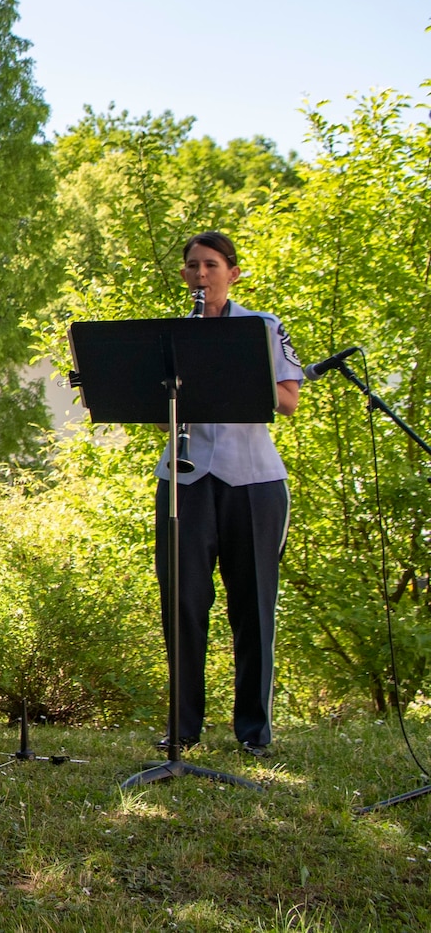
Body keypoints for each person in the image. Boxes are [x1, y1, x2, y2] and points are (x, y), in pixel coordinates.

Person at [153, 231, 303, 757]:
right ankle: (184, 728)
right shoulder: (169, 335)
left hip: (254, 481)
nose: (201, 275)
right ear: (184, 274)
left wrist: (228, 374)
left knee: (254, 606)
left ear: (233, 273)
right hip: (184, 479)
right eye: (192, 265)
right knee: (183, 604)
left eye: (212, 265)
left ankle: (254, 731)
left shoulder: (263, 327)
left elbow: (288, 401)